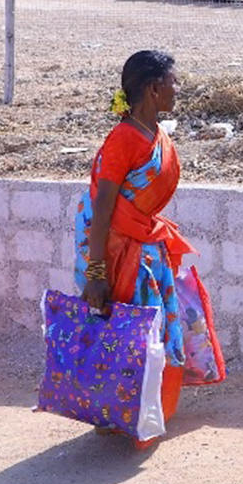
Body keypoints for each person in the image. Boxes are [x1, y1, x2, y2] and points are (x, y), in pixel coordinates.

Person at [75, 50, 194, 448]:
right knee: (125, 336)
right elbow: (101, 209)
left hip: (147, 250)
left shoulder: (156, 136)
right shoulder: (124, 138)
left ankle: (139, 414)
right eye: (174, 83)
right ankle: (121, 415)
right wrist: (96, 273)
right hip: (119, 253)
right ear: (153, 88)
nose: (178, 90)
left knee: (148, 337)